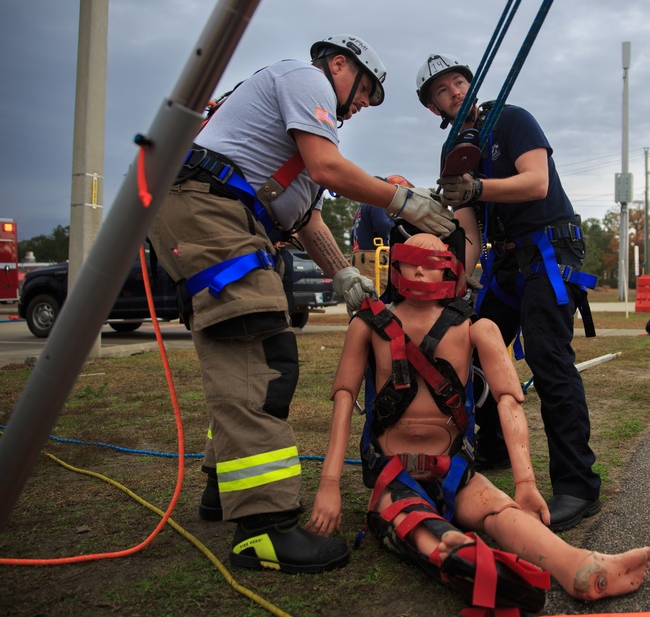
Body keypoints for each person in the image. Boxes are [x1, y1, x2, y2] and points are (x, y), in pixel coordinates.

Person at [148, 35, 454, 574]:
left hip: (226, 215)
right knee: (259, 355)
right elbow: (332, 170)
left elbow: (308, 218)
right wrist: (404, 199)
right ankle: (263, 529)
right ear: (339, 64)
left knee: (255, 353)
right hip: (212, 211)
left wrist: (344, 276)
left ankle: (224, 490)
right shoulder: (304, 78)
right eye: (365, 92)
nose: (362, 105)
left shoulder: (299, 137)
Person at [306, 232, 650, 613]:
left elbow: (510, 401)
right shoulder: (366, 325)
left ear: (450, 270)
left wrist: (526, 483)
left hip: (456, 472)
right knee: (408, 519)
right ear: (397, 265)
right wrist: (329, 485)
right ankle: (461, 556)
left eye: (432, 260)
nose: (420, 269)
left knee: (502, 512)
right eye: (412, 260)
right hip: (393, 474)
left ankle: (577, 567)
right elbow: (342, 401)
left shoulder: (478, 328)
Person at [415, 53, 602, 531]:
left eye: (459, 81)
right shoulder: (453, 152)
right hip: (504, 260)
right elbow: (470, 232)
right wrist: (454, 284)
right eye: (442, 89)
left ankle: (578, 486)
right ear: (433, 107)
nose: (454, 91)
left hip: (548, 250)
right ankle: (495, 447)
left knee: (547, 357)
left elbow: (537, 184)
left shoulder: (514, 120)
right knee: (470, 349)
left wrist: (477, 186)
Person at [350, 174, 414, 297]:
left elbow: (352, 236)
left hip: (360, 259)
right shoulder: (376, 200)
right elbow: (384, 228)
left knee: (365, 298)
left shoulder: (362, 206)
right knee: (379, 298)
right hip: (373, 260)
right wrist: (394, 219)